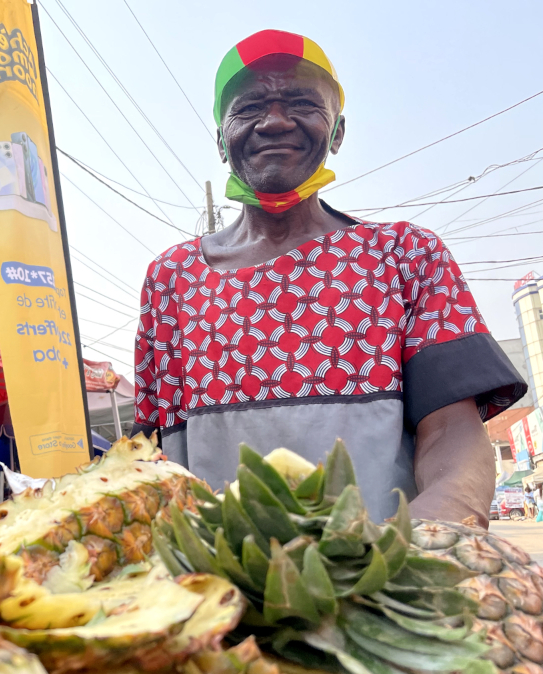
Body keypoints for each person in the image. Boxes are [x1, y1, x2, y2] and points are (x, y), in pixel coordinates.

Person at [134, 30, 526, 528]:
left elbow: (453, 430)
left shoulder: (405, 256)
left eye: (301, 102)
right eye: (250, 107)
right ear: (221, 140)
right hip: (223, 591)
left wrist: (437, 529)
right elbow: (153, 457)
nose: (275, 121)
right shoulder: (172, 280)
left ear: (337, 132)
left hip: (384, 586)